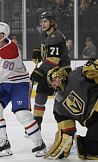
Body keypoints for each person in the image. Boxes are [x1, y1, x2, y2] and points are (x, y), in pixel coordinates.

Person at [0, 22, 46, 157]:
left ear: (4, 36)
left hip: (18, 84)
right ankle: (3, 144)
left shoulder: (10, 50)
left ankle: (39, 144)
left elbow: (2, 74)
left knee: (22, 114)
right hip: (3, 83)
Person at [30, 11, 70, 131]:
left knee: (60, 99)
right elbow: (46, 50)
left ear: (52, 23)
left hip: (61, 71)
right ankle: (37, 125)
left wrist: (39, 71)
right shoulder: (43, 34)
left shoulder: (56, 36)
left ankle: (67, 126)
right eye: (42, 21)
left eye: (45, 21)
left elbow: (54, 59)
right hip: (49, 70)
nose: (43, 24)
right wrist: (39, 51)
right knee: (40, 95)